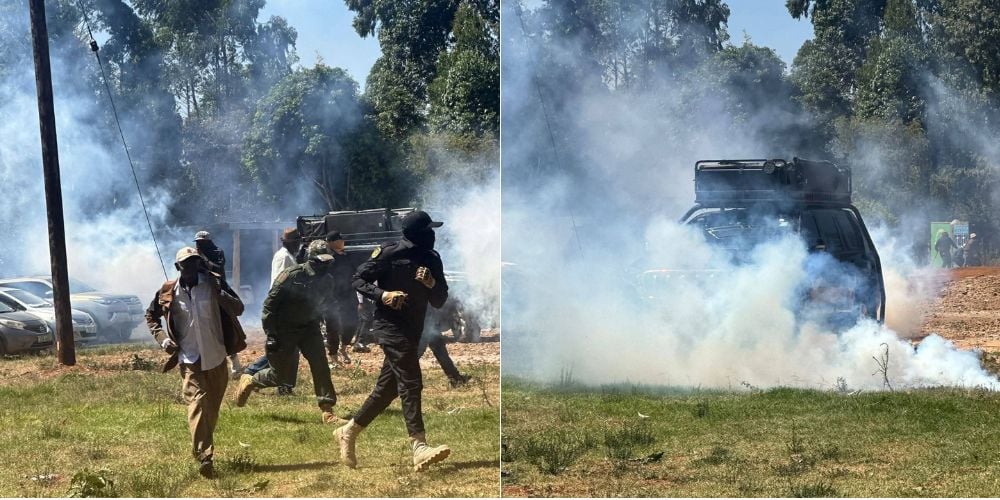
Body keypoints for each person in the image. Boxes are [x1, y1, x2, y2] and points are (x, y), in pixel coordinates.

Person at [334, 210, 451, 472]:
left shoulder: (432, 259)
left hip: (413, 330)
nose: (431, 234)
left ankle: (348, 431)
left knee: (387, 390)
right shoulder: (389, 253)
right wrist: (382, 295)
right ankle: (419, 446)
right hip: (388, 327)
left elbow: (440, 299)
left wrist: (431, 283)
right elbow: (358, 279)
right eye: (428, 230)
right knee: (411, 380)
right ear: (415, 233)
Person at [145, 247, 246, 478]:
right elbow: (151, 316)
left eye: (195, 262)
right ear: (178, 267)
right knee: (198, 402)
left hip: (216, 355)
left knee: (212, 409)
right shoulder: (168, 291)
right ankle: (205, 456)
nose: (191, 267)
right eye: (186, 264)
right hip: (189, 358)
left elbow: (239, 308)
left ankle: (202, 443)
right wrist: (163, 340)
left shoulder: (213, 285)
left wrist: (219, 291)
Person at [234, 240, 344, 424]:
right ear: (312, 260)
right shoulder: (292, 275)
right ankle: (251, 380)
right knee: (280, 377)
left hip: (310, 328)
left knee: (321, 367)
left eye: (328, 262)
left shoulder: (327, 281)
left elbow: (330, 307)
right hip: (285, 329)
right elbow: (270, 306)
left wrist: (334, 339)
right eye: (321, 262)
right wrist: (271, 334)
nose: (325, 266)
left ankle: (327, 411)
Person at [244, 227, 303, 394]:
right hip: (283, 311)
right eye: (297, 241)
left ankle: (284, 386)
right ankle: (252, 373)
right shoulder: (283, 257)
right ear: (291, 242)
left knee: (289, 349)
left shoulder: (289, 256)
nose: (299, 244)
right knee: (283, 349)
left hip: (289, 310)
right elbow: (278, 285)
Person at [194, 230, 243, 379]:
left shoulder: (217, 253)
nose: (198, 246)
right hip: (200, 294)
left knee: (226, 327)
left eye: (201, 243)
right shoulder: (194, 255)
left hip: (218, 293)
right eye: (197, 243)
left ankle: (235, 365)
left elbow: (217, 269)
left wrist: (203, 260)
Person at [322, 231, 360, 366]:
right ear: (332, 242)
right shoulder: (328, 258)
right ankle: (333, 356)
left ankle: (343, 348)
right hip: (334, 298)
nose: (342, 242)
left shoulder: (347, 257)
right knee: (333, 327)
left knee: (352, 323)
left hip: (349, 296)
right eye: (339, 239)